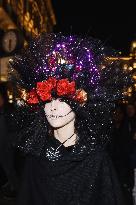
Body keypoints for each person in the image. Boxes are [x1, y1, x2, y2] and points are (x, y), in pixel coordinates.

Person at [9, 33, 132, 205]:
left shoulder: (95, 159)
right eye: (47, 99)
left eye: (62, 100)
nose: (52, 107)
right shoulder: (36, 156)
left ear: (79, 102)